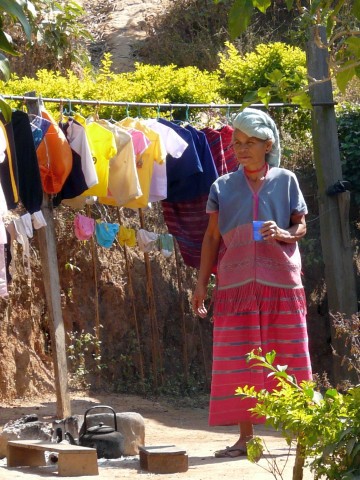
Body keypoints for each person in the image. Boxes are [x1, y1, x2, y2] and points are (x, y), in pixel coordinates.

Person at [191, 108, 312, 458]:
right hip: (235, 284)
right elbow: (212, 238)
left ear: (268, 144)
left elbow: (300, 226)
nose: (241, 149)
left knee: (290, 353)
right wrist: (202, 284)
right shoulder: (222, 186)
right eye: (237, 142)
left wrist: (284, 233)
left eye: (250, 143)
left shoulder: (287, 179)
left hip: (282, 284)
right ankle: (246, 439)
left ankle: (303, 433)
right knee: (243, 358)